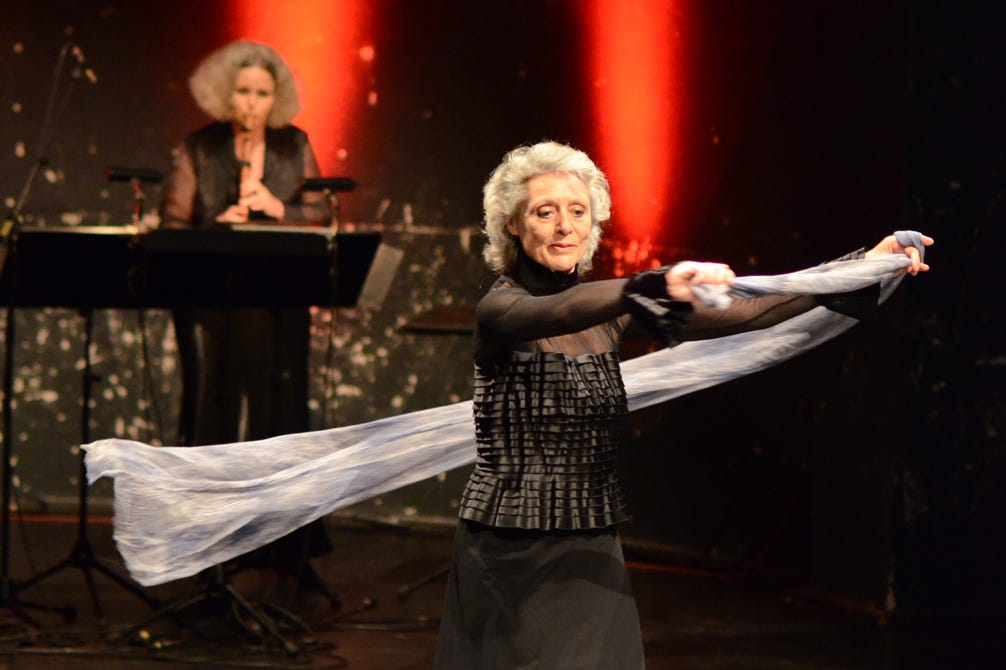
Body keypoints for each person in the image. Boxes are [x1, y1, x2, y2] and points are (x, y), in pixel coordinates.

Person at [432, 141, 932, 669]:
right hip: (511, 546)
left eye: (577, 211)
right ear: (513, 224)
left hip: (590, 542)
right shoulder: (500, 309)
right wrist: (647, 285)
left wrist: (860, 267)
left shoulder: (610, 314)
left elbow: (752, 311)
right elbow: (558, 311)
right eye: (544, 212)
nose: (564, 227)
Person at [158, 40, 334, 605]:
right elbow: (172, 225)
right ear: (224, 95)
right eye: (243, 92)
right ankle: (211, 547)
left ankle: (286, 549)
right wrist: (221, 221)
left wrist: (277, 209)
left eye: (262, 93)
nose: (252, 104)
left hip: (281, 301)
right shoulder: (200, 147)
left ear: (275, 98)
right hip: (219, 305)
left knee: (283, 415)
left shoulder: (293, 144)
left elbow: (322, 214)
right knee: (214, 414)